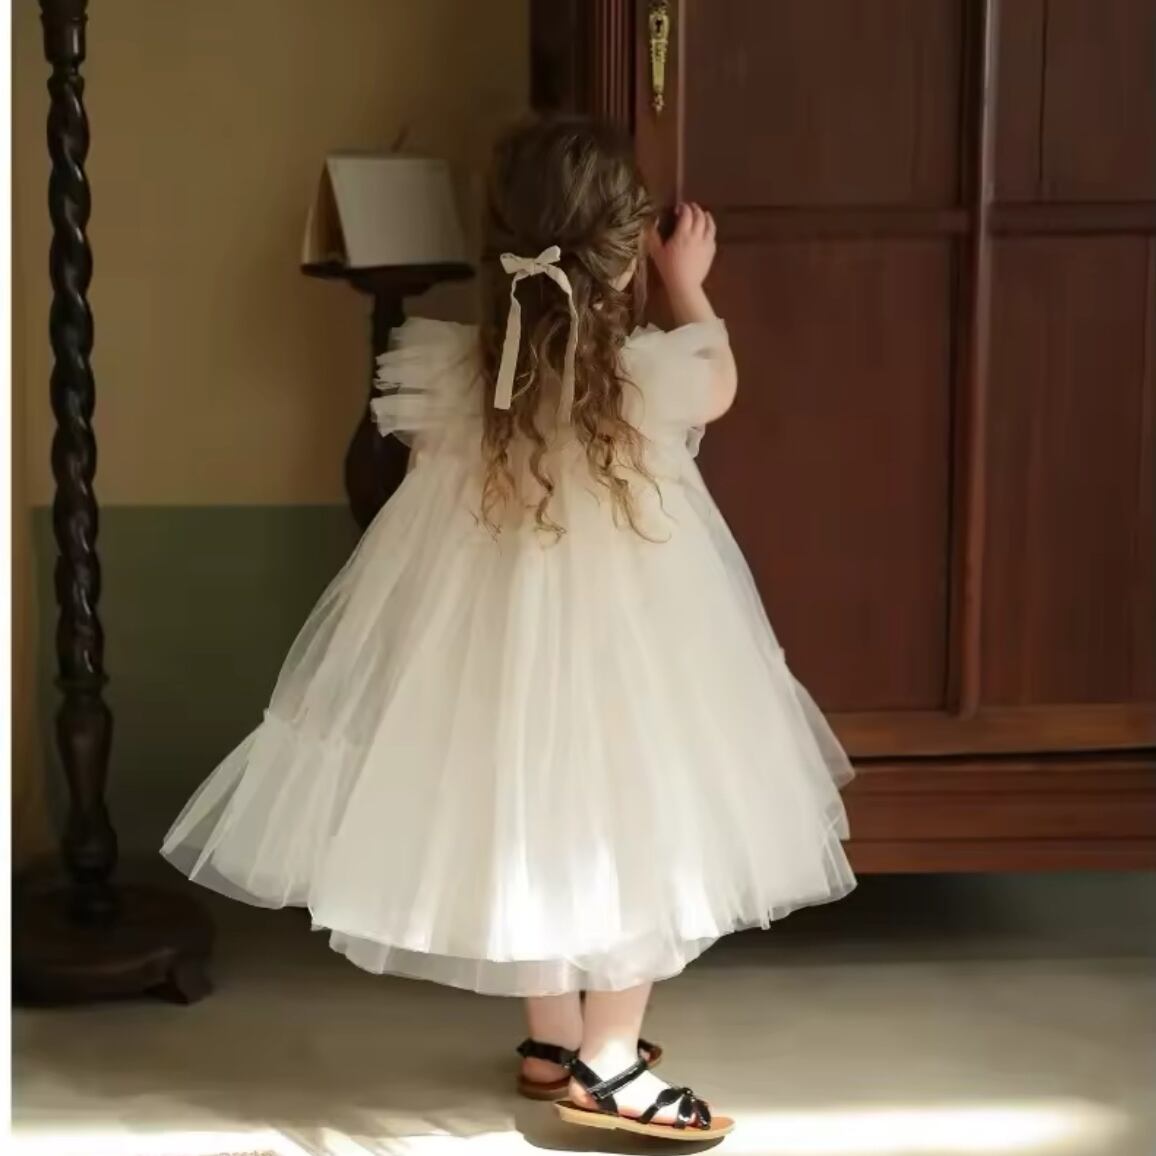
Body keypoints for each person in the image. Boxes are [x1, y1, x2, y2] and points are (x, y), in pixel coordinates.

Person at [162, 116, 855, 1142]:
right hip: (635, 646)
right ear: (627, 253)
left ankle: (552, 1037)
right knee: (640, 819)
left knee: (518, 810)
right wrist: (687, 285)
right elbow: (721, 379)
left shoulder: (450, 370)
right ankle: (610, 1061)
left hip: (487, 645)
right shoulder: (655, 372)